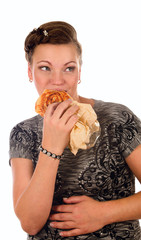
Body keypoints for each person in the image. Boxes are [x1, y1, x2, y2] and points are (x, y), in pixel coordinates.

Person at [9, 21, 141, 240]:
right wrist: (51, 145)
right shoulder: (24, 132)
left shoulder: (116, 118)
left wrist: (103, 213)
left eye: (69, 68)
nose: (58, 81)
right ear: (30, 72)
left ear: (79, 71)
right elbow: (30, 224)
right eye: (45, 68)